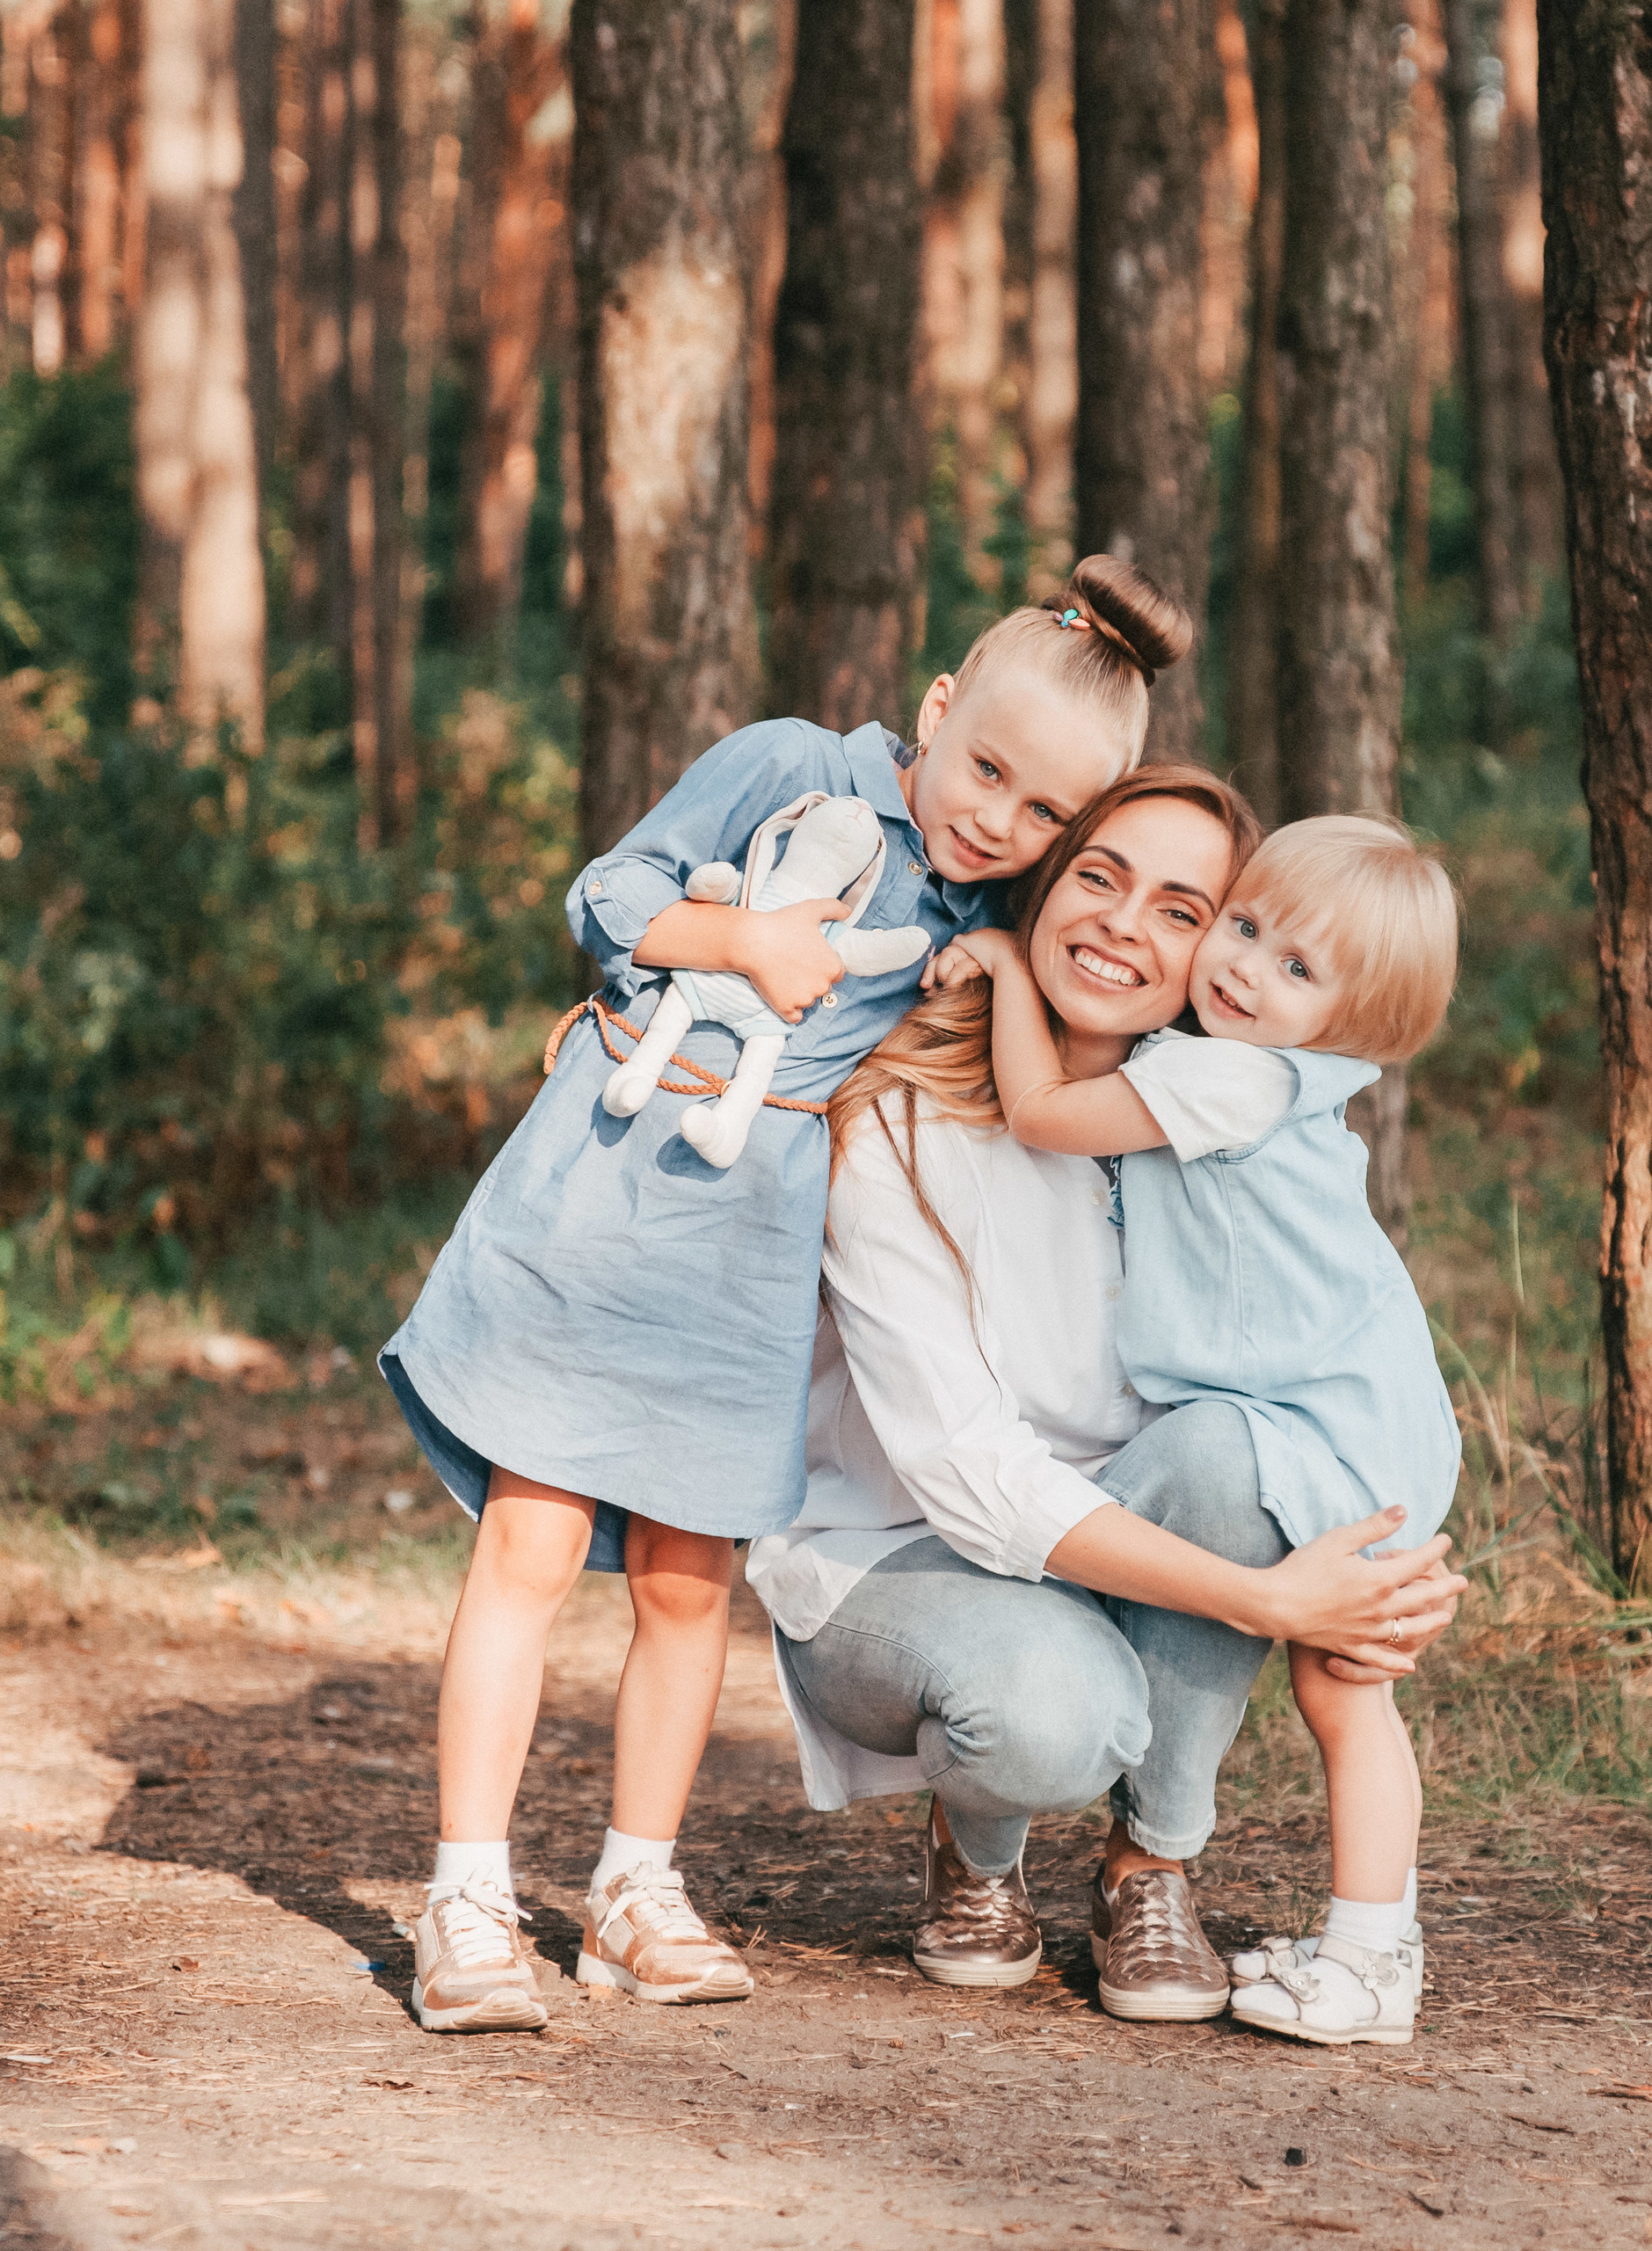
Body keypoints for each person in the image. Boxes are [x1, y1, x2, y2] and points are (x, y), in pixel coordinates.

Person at [378, 558, 1192, 2035]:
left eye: (1036, 814)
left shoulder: (985, 904)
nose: (994, 818)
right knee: (532, 1543)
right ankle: (469, 1892)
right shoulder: (789, 766)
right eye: (985, 769)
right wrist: (741, 937)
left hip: (751, 1238)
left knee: (691, 1586)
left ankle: (636, 1888)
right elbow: (609, 892)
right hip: (613, 1177)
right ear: (937, 709)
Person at [747, 770, 1466, 2025]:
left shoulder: (1204, 1119)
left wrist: (1368, 1554)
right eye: (1100, 877)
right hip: (900, 1555)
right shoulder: (901, 1117)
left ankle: (1154, 1867)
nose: (1132, 927)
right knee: (1048, 1715)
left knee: (1235, 1459)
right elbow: (968, 1470)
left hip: (1110, 1542)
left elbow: (1306, 1353)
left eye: (1187, 910)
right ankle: (977, 1855)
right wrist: (1270, 1598)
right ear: (1045, 883)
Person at [948, 812, 1460, 2045]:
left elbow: (1043, 1113)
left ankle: (1349, 1948)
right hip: (1372, 1425)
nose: (1241, 967)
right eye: (1242, 927)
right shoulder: (1274, 1074)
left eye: (1297, 970)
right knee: (1349, 1702)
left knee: (1335, 1680)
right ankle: (1369, 1948)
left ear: (1350, 1020)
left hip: (1318, 1433)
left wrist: (1014, 967)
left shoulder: (1224, 1075)